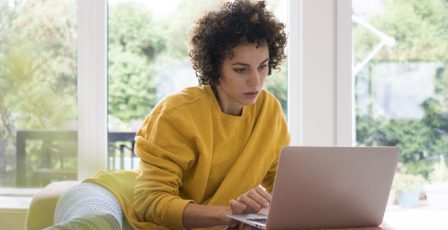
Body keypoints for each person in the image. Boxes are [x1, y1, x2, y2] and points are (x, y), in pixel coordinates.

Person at [48, 0, 289, 229]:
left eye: (262, 66)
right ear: (215, 67)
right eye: (240, 69)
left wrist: (261, 211)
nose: (256, 81)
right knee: (96, 225)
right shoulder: (178, 113)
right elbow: (150, 202)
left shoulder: (269, 112)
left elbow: (284, 187)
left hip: (194, 220)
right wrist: (231, 215)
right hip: (117, 199)